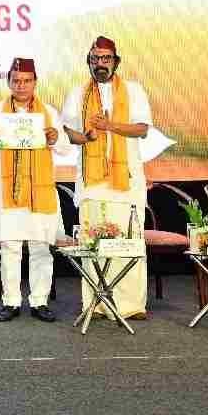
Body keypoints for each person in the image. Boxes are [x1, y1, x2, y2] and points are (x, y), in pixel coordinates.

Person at [61, 36, 152, 320]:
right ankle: (96, 303)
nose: (100, 64)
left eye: (106, 58)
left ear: (116, 61)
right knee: (94, 241)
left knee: (129, 240)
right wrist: (86, 136)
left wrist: (109, 125)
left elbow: (142, 130)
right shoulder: (78, 93)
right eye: (95, 59)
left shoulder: (133, 90)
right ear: (89, 62)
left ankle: (131, 305)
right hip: (93, 182)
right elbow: (67, 132)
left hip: (127, 181)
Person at [0, 58, 68, 322]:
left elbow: (65, 148)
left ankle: (40, 301)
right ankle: (11, 302)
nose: (21, 85)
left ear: (35, 83)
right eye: (16, 80)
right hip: (8, 191)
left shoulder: (48, 112)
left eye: (27, 81)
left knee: (41, 248)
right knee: (11, 248)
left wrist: (55, 138)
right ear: (9, 82)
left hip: (40, 191)